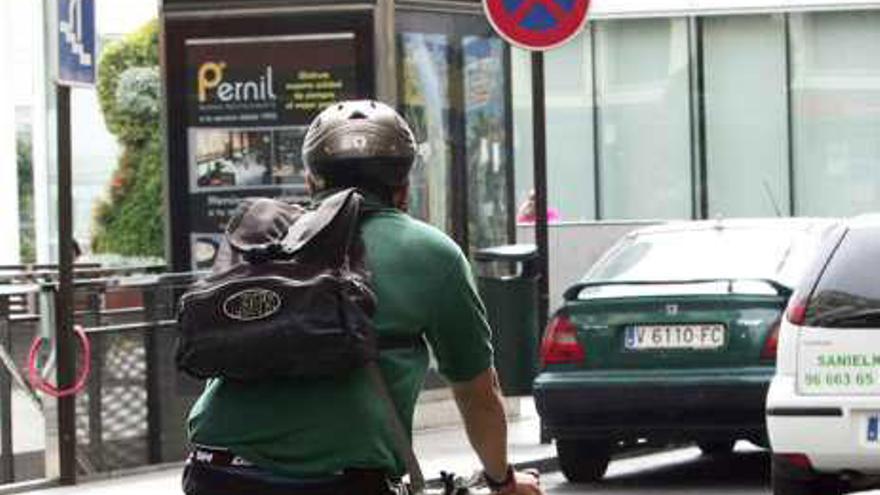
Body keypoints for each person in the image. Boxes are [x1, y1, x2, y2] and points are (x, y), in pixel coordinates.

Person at [182, 100, 543, 495]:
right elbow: (478, 394)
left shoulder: (265, 241)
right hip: (334, 482)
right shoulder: (431, 253)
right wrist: (502, 481)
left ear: (311, 183)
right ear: (404, 189)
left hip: (213, 468)